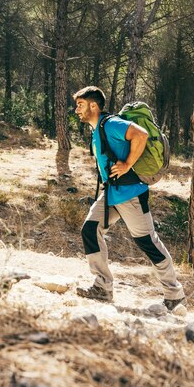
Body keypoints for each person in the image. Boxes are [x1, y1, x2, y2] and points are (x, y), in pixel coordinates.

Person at [73, 85, 185, 311]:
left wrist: (127, 164)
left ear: (93, 105)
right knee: (90, 230)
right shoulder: (97, 130)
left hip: (131, 194)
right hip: (113, 193)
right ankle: (102, 286)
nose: (77, 109)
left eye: (80, 105)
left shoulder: (111, 124)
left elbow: (140, 134)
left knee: (148, 242)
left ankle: (175, 295)